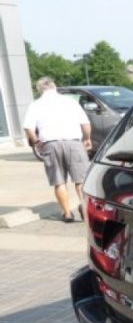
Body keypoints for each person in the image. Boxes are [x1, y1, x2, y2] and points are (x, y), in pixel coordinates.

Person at [23, 77, 92, 222]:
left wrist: (36, 141)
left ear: (39, 89)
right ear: (55, 87)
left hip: (50, 144)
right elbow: (85, 123)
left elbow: (28, 127)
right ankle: (85, 210)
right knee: (81, 180)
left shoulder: (36, 105)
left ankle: (67, 213)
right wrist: (87, 138)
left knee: (59, 181)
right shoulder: (70, 102)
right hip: (73, 142)